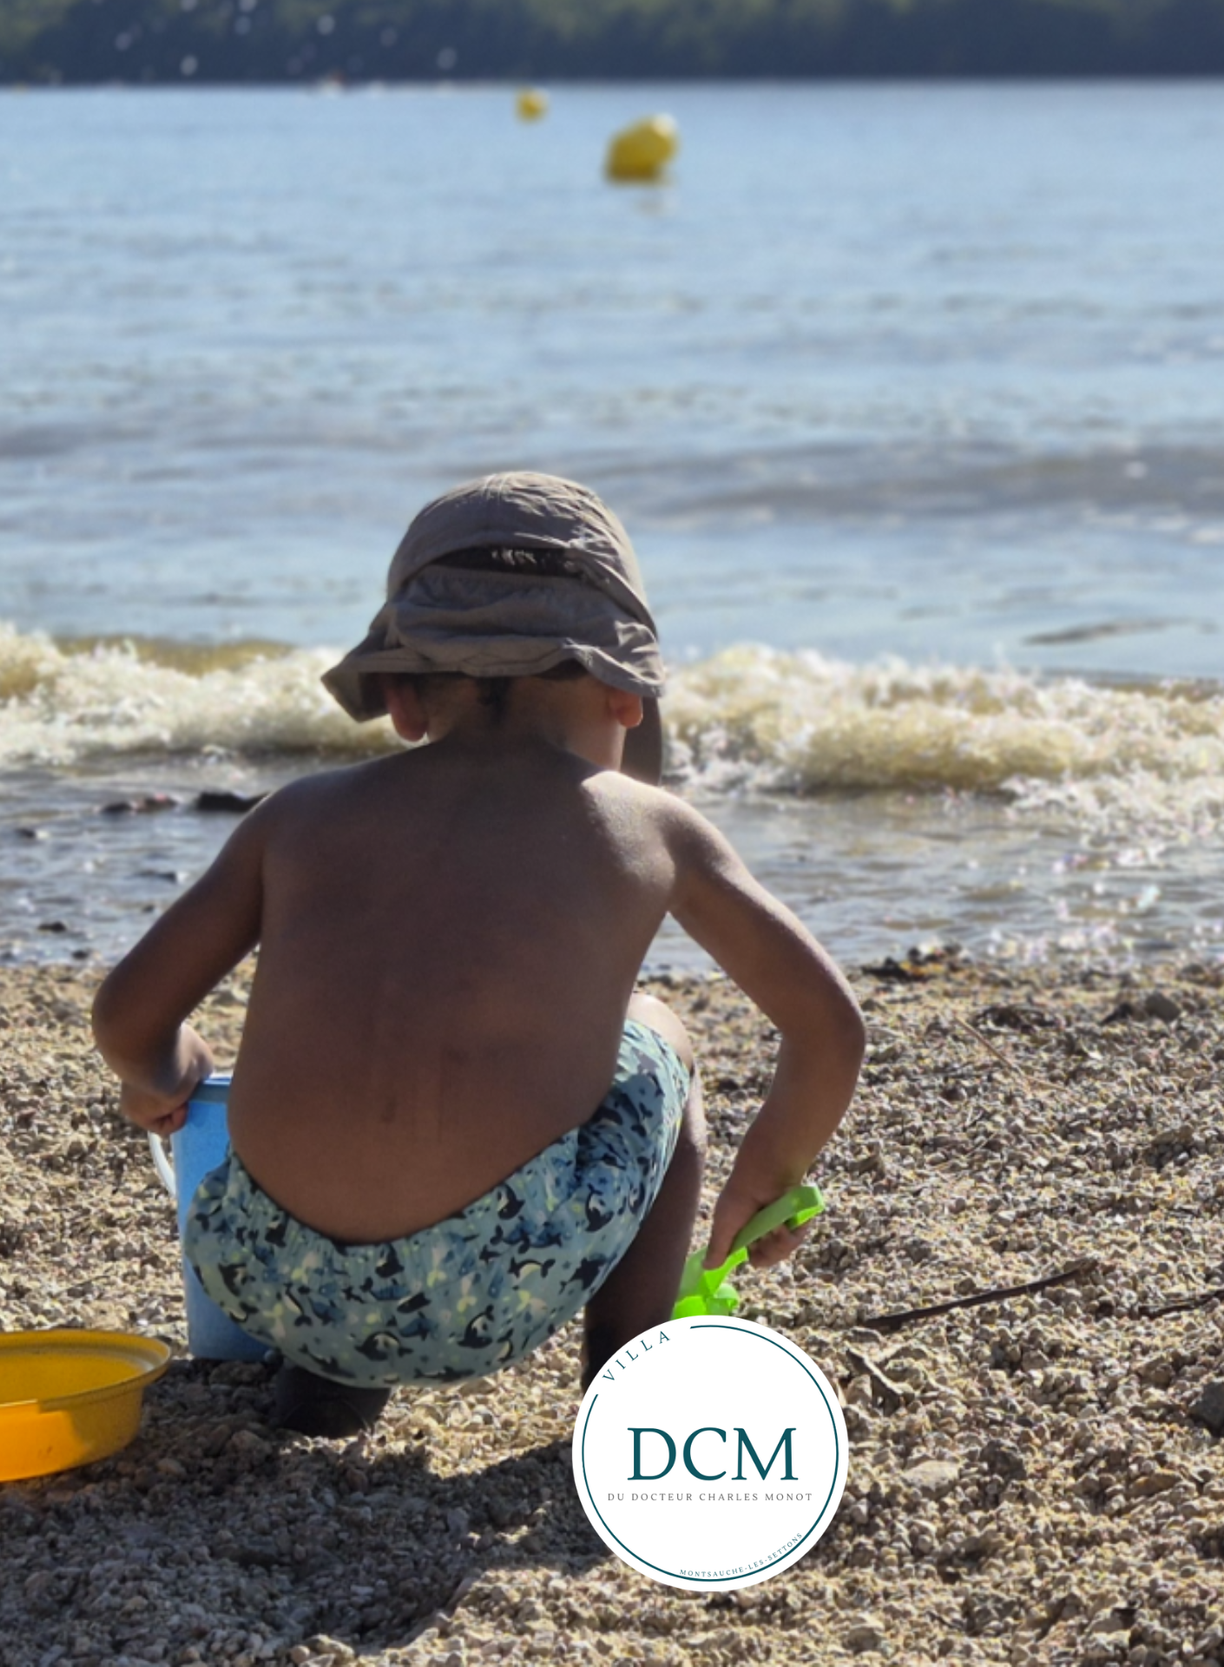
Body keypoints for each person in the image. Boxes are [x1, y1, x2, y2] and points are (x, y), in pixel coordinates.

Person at [92, 472, 864, 1435]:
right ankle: (626, 1395)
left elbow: (126, 1015)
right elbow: (829, 1025)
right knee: (662, 1034)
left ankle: (327, 1390)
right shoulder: (651, 827)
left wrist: (165, 1072)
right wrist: (769, 1173)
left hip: (263, 1273)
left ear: (402, 701)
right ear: (627, 694)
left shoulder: (296, 816)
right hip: (490, 1296)